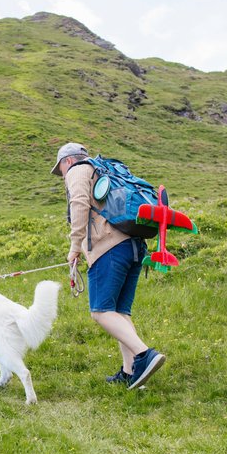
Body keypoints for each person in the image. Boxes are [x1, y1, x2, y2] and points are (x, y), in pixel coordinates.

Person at [50, 142, 165, 390]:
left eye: (61, 169)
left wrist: (74, 246)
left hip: (109, 247)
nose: (62, 176)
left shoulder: (78, 170)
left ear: (68, 161)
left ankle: (144, 355)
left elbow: (79, 203)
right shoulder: (104, 169)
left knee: (100, 311)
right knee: (120, 313)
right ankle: (131, 371)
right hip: (134, 245)